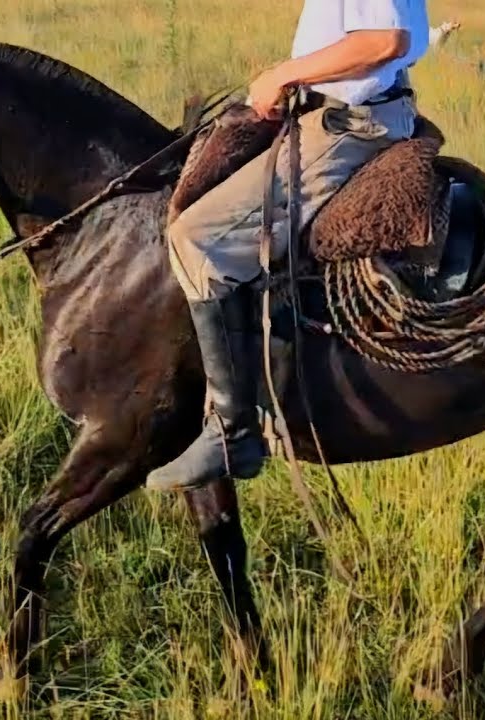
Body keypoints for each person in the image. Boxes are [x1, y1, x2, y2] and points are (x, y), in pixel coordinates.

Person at [146, 0, 430, 493]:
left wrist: (284, 74)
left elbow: (384, 41)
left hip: (352, 126)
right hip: (346, 112)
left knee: (198, 240)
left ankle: (233, 432)